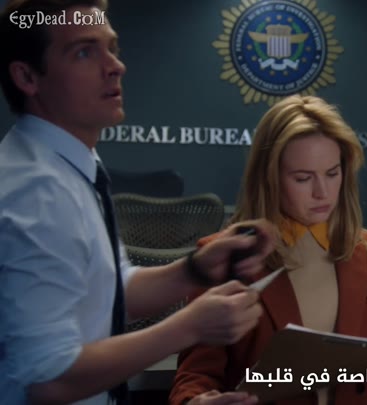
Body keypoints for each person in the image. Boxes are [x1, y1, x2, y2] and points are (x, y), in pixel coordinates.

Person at [0, 1, 275, 404]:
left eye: (112, 48)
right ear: (27, 76)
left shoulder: (70, 166)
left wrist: (196, 269)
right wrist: (188, 327)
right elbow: (49, 379)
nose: (115, 66)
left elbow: (110, 290)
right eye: (84, 52)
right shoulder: (36, 191)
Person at [169, 95, 367, 405]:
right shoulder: (223, 258)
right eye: (303, 178)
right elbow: (195, 378)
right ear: (269, 178)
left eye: (332, 173)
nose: (322, 192)